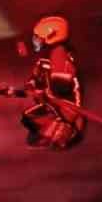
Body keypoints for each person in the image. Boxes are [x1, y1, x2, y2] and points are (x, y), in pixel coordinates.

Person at [19, 15, 85, 150]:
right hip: (54, 105)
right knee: (27, 118)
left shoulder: (60, 55)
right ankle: (50, 132)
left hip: (67, 109)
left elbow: (61, 89)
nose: (36, 41)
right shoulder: (46, 59)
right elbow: (34, 80)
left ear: (52, 36)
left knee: (55, 141)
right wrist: (29, 87)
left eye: (39, 37)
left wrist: (41, 92)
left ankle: (69, 131)